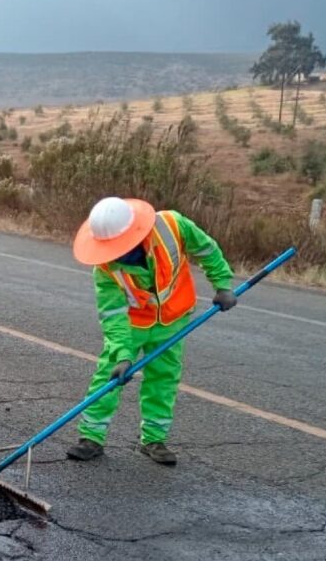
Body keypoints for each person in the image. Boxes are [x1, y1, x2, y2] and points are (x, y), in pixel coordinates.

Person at [67, 197, 236, 464]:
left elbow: (206, 250)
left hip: (172, 320)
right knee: (108, 377)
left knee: (164, 379)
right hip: (132, 325)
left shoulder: (172, 225)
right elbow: (112, 314)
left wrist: (223, 284)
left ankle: (154, 440)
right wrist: (123, 354)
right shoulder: (106, 268)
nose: (115, 254)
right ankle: (91, 437)